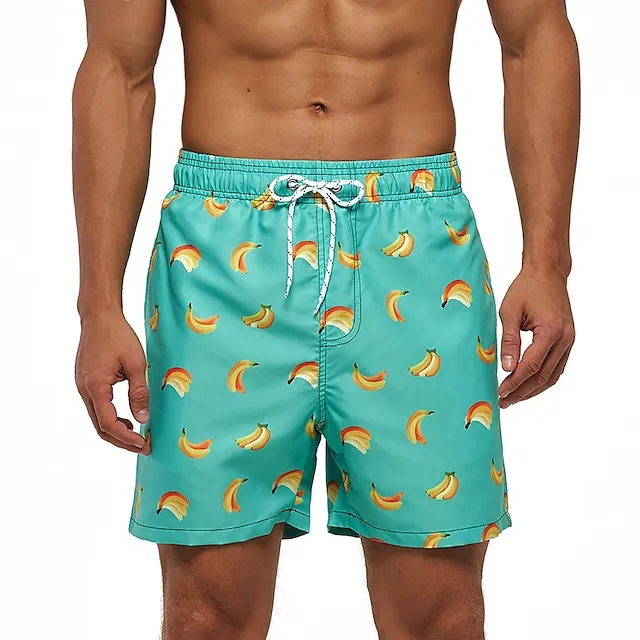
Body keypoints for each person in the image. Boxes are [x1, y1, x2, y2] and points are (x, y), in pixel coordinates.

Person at [73, 1, 578, 638]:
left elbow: (534, 36)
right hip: (221, 255)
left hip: (415, 247)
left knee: (441, 617)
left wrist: (547, 263)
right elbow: (118, 68)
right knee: (205, 616)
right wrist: (98, 305)